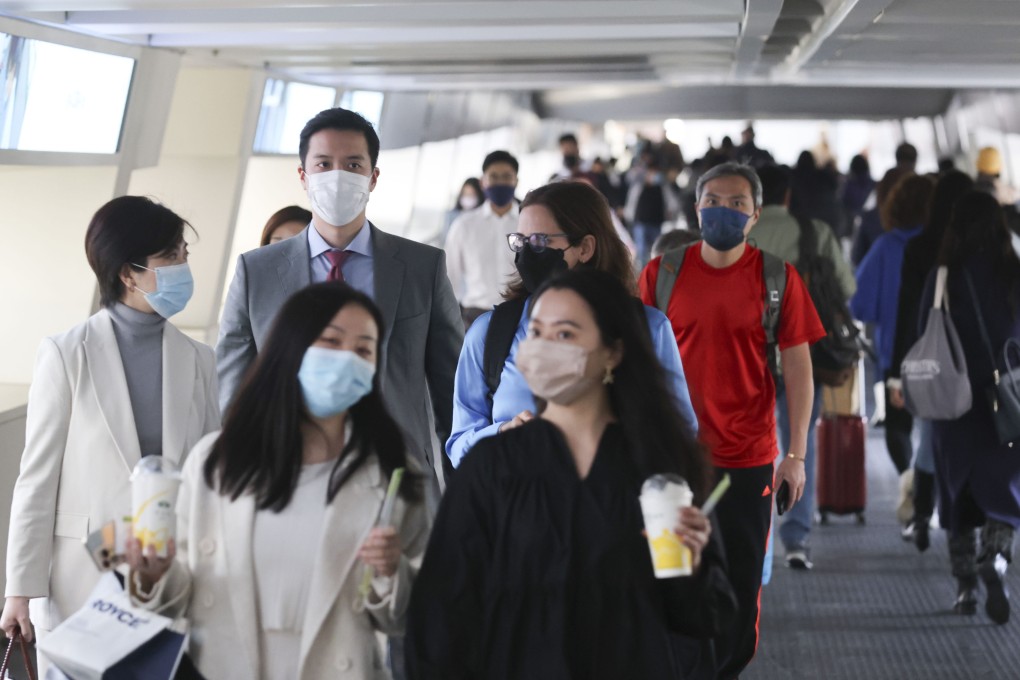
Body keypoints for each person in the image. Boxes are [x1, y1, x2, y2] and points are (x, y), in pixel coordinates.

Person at [407, 269, 736, 679]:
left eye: (565, 334)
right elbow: (441, 613)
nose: (543, 349)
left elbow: (706, 620)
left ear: (612, 352)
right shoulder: (493, 467)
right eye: (536, 333)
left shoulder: (657, 468)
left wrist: (693, 569)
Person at [128, 282, 429, 678]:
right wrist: (152, 575)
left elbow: (409, 616)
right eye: (331, 341)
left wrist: (391, 572)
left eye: (363, 350)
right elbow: (179, 594)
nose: (346, 360)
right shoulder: (215, 462)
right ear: (291, 348)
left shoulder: (392, 473)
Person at [0, 197, 220, 673]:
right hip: (82, 581)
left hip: (169, 581)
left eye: (184, 253)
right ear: (128, 273)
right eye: (171, 256)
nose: (184, 266)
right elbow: (37, 479)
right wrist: (19, 589)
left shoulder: (201, 360)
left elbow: (210, 481)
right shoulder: (65, 354)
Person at [216, 107, 463, 511]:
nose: (337, 176)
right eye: (323, 164)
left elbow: (451, 390)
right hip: (285, 476)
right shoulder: (256, 271)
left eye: (352, 165)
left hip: (394, 478)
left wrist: (461, 495)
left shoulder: (422, 267)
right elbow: (233, 390)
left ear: (373, 177)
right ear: (303, 176)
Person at [638, 162, 824, 680]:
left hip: (747, 460)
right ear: (696, 209)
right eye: (713, 201)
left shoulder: (777, 279)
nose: (724, 211)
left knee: (740, 585)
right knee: (670, 577)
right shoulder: (662, 275)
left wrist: (795, 455)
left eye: (737, 203)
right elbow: (634, 361)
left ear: (756, 214)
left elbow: (799, 370)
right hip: (674, 459)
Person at [446, 180, 698, 469]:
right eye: (520, 241)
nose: (526, 253)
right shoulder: (490, 333)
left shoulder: (647, 329)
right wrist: (503, 433)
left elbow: (680, 435)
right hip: (515, 492)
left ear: (585, 248)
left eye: (540, 241)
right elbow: (459, 444)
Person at [918, 190, 1020, 624]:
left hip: (953, 401)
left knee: (956, 491)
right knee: (1007, 487)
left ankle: (964, 589)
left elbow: (923, 334)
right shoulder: (1014, 272)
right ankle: (995, 557)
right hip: (1007, 401)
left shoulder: (942, 277)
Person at [751, 163, 856, 570]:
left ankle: (754, 535)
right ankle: (796, 537)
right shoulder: (816, 232)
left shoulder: (741, 236)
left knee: (749, 444)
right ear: (788, 195)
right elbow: (847, 287)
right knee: (798, 442)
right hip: (804, 354)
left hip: (751, 358)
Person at [888, 170, 974, 551]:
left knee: (929, 438)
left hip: (933, 359)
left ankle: (922, 514)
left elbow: (908, 313)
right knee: (975, 443)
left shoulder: (920, 248)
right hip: (978, 363)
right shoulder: (987, 251)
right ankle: (968, 523)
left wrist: (896, 375)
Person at [850, 174, 935, 518]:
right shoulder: (947, 246)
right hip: (942, 355)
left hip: (895, 354)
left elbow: (859, 305)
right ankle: (929, 493)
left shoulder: (886, 246)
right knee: (935, 427)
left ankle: (907, 479)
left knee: (898, 428)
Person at [444, 151, 520, 329]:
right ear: (482, 182)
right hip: (475, 315)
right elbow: (450, 275)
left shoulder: (527, 223)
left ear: (516, 181)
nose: (500, 182)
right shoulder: (464, 225)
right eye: (494, 177)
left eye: (506, 177)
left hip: (519, 312)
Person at [625, 158, 680, 265]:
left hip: (656, 223)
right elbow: (631, 202)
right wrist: (629, 216)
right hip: (641, 222)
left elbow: (672, 203)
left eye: (656, 172)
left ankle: (653, 269)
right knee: (641, 250)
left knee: (656, 249)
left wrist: (672, 215)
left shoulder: (662, 187)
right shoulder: (639, 186)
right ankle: (643, 270)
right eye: (652, 172)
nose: (654, 175)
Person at [442, 177, 483, 241]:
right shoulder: (451, 215)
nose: (468, 198)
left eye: (472, 194)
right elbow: (446, 238)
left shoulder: (482, 218)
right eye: (466, 194)